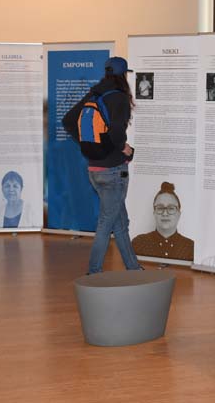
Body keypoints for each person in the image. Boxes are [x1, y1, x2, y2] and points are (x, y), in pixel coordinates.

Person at [63, 56, 142, 274]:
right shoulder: (119, 98)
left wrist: (91, 145)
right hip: (113, 171)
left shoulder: (94, 94)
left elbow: (68, 120)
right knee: (106, 224)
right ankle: (94, 271)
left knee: (120, 222)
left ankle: (133, 268)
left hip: (94, 169)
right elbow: (117, 133)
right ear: (124, 76)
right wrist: (123, 148)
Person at [132, 181, 194, 261]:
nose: (165, 213)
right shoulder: (138, 243)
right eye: (160, 208)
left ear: (179, 214)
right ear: (154, 213)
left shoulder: (191, 247)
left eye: (171, 208)